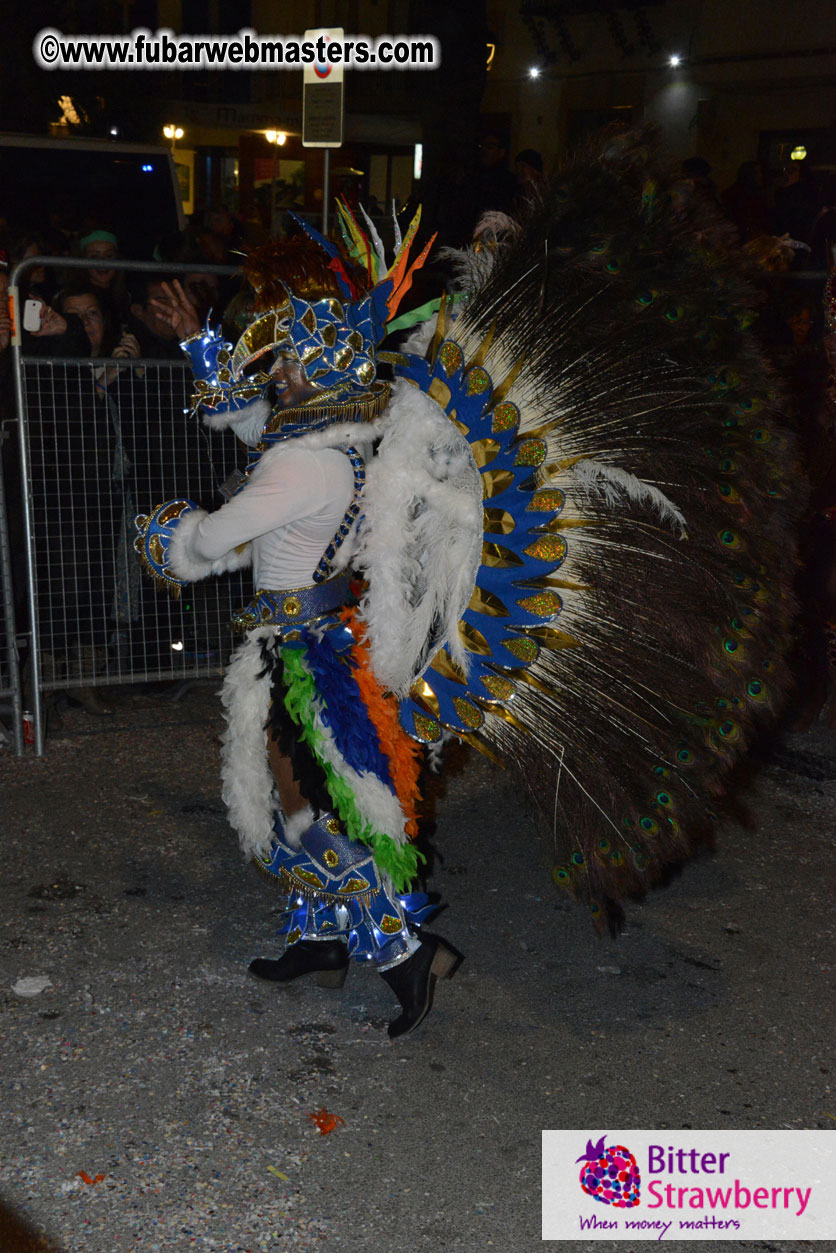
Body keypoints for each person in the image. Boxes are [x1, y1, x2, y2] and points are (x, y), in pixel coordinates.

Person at [137, 136, 800, 1034]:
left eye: (283, 361)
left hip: (309, 659)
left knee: (311, 807)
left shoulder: (296, 467)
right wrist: (200, 343)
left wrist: (159, 531)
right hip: (323, 638)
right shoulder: (346, 438)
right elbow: (256, 422)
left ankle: (405, 956)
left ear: (315, 372)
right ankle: (320, 940)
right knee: (299, 796)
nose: (273, 372)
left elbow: (202, 543)